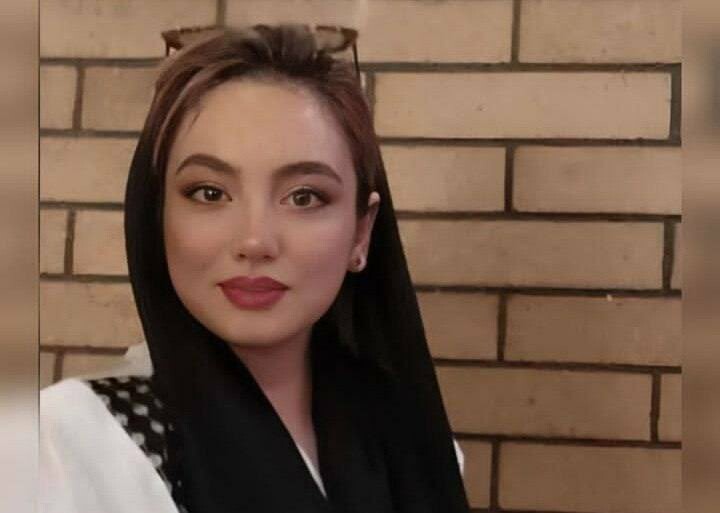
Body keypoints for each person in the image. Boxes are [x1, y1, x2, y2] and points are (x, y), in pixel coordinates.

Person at [40, 23, 469, 513]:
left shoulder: (414, 447)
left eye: (304, 197)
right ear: (156, 216)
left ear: (361, 232)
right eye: (209, 193)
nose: (255, 241)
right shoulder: (68, 447)